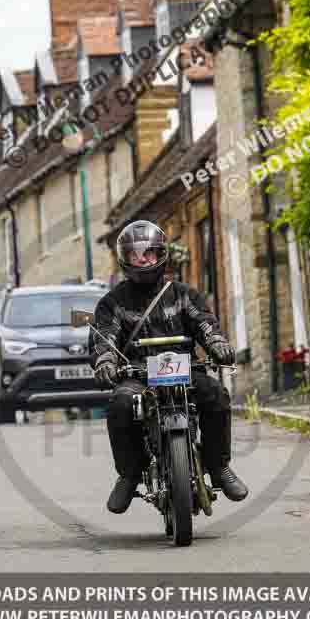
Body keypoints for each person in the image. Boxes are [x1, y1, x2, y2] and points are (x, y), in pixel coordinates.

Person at [90, 220, 248, 514]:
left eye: (148, 253)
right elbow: (105, 338)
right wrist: (106, 361)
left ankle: (219, 467)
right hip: (138, 376)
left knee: (215, 394)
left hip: (185, 371)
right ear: (124, 259)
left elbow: (205, 323)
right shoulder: (112, 304)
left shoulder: (185, 295)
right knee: (120, 404)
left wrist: (217, 344)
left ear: (161, 254)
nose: (142, 260)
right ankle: (129, 474)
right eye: (135, 255)